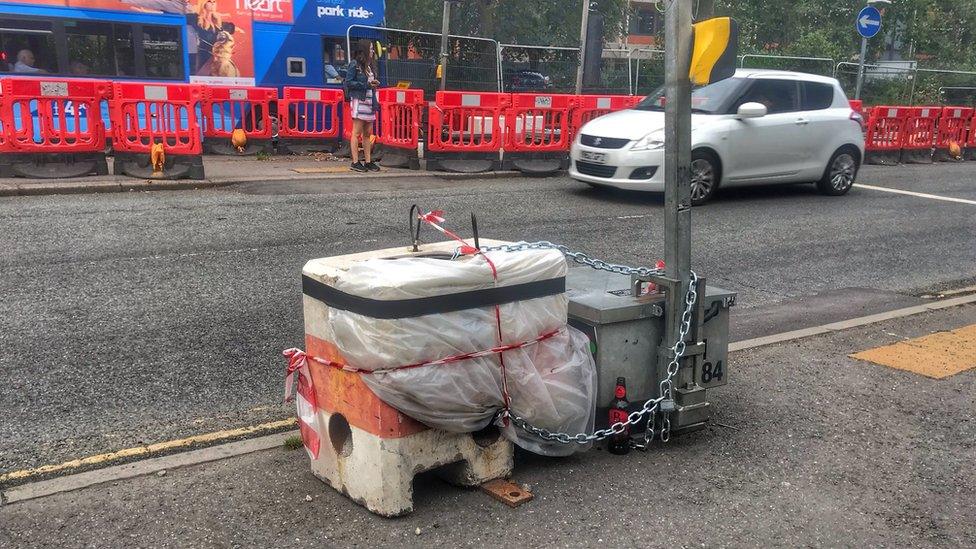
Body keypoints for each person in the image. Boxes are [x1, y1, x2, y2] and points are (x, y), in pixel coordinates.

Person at [346, 39, 380, 173]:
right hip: (359, 101)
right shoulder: (355, 65)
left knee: (367, 133)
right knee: (356, 132)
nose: (372, 51)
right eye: (371, 49)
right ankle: (355, 161)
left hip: (370, 101)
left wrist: (373, 84)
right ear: (365, 50)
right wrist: (366, 85)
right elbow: (348, 82)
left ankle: (368, 161)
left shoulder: (370, 66)